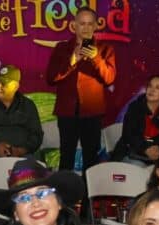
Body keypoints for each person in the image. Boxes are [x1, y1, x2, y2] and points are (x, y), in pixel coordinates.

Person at [45, 7, 116, 171]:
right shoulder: (62, 48)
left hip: (92, 113)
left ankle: (88, 196)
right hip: (67, 112)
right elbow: (51, 78)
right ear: (74, 26)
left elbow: (109, 78)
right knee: (66, 156)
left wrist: (96, 58)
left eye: (90, 24)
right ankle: (65, 195)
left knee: (91, 158)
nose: (86, 28)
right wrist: (73, 60)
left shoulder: (105, 49)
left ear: (96, 26)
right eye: (82, 23)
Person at [111, 75, 159, 166]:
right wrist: (146, 149)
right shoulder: (135, 107)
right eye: (150, 86)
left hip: (156, 154)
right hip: (132, 153)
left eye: (157, 87)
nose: (152, 90)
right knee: (140, 167)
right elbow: (129, 135)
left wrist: (157, 147)